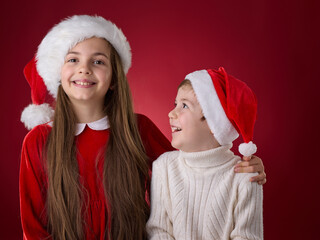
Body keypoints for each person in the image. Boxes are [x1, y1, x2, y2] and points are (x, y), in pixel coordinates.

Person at [19, 15, 266, 240]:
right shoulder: (38, 141)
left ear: (115, 78)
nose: (84, 68)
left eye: (98, 61)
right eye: (73, 59)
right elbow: (34, 228)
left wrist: (243, 167)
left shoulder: (138, 129)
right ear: (57, 73)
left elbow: (192, 166)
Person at [146, 68, 263, 239]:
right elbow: (158, 230)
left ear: (213, 122)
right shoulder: (163, 167)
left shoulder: (245, 175)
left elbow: (247, 236)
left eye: (184, 105)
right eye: (175, 104)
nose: (171, 113)